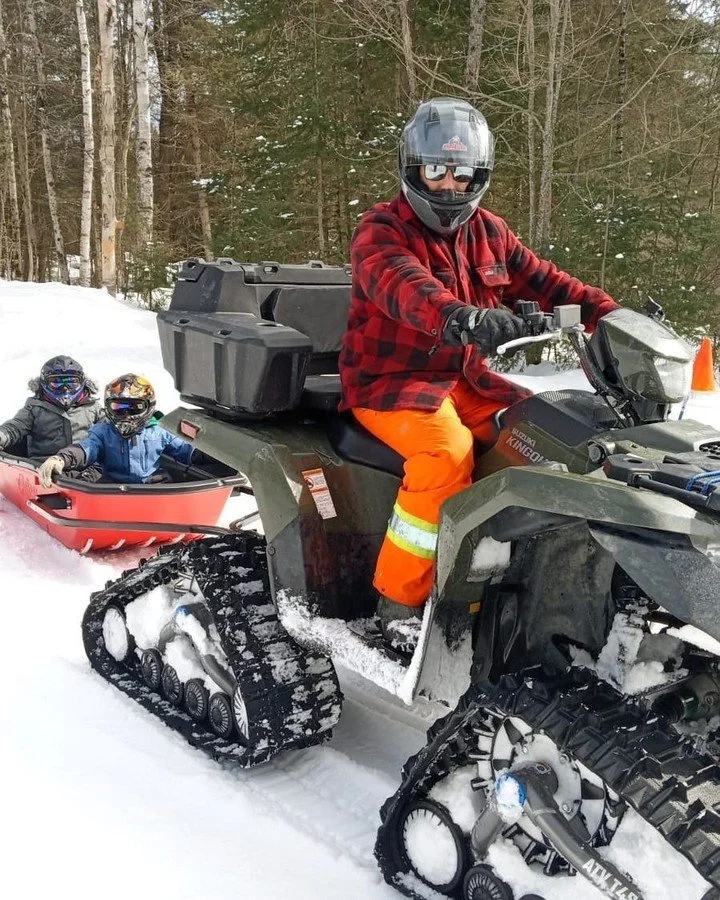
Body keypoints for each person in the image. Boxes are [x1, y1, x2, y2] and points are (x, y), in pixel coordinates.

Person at [338, 96, 620, 650]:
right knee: (445, 457)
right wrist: (462, 317)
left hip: (467, 380)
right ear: (412, 169)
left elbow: (547, 282)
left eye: (462, 173)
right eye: (435, 171)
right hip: (393, 383)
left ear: (479, 174)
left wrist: (610, 316)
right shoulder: (381, 231)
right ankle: (400, 600)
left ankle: (526, 578)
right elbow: (406, 288)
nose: (449, 186)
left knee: (546, 438)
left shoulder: (489, 231)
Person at [37, 373, 194, 487]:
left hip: (152, 486)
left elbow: (186, 450)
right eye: (118, 407)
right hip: (113, 487)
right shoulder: (103, 432)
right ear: (108, 407)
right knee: (93, 483)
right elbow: (86, 449)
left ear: (149, 407)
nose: (126, 415)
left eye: (134, 408)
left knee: (167, 482)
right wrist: (62, 459)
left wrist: (205, 452)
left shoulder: (159, 432)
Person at [0, 355, 103, 459]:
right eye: (57, 383)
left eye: (71, 382)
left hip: (83, 463)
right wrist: (2, 436)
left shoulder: (92, 406)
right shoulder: (35, 408)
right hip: (40, 464)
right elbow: (15, 426)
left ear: (82, 382)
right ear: (44, 383)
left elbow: (108, 429)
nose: (65, 388)